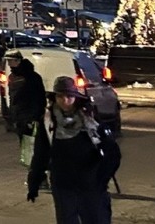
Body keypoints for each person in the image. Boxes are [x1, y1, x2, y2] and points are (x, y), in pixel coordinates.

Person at [27, 75, 119, 224]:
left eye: (69, 96)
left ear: (75, 97)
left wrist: (102, 177)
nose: (65, 100)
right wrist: (34, 182)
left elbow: (112, 151)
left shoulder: (90, 117)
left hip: (90, 183)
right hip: (63, 184)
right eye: (61, 96)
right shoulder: (48, 121)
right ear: (55, 98)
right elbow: (41, 153)